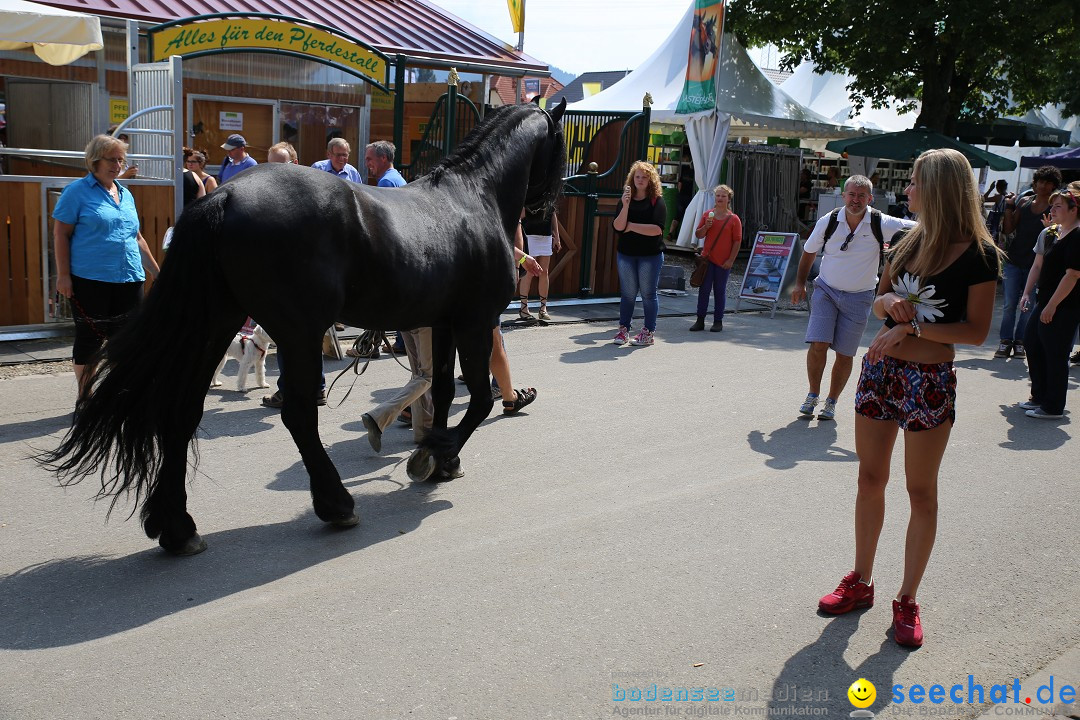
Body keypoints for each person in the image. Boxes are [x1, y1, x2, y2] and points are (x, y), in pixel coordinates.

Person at [817, 148, 1002, 648]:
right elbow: (877, 298)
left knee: (920, 491)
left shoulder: (980, 254)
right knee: (869, 478)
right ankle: (860, 580)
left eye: (916, 182)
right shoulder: (904, 241)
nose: (909, 191)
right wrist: (889, 305)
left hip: (929, 381)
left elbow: (978, 332)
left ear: (939, 188)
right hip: (881, 372)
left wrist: (914, 326)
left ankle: (907, 598)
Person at [791, 175, 915, 421]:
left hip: (860, 297)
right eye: (851, 194)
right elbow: (808, 251)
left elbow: (916, 228)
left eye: (861, 196)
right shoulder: (830, 221)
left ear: (870, 199)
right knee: (818, 344)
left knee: (845, 354)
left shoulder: (881, 222)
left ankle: (831, 401)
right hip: (826, 290)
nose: (855, 200)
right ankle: (812, 393)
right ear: (843, 195)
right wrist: (798, 284)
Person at [52, 134, 161, 397]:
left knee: (126, 339)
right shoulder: (76, 192)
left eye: (121, 160)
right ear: (95, 161)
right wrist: (63, 275)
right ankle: (86, 396)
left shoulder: (125, 194)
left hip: (129, 278)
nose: (117, 165)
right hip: (91, 279)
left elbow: (137, 237)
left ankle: (120, 393)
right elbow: (60, 234)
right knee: (90, 339)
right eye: (111, 159)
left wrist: (158, 273)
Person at [261, 140, 327, 409]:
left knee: (293, 337)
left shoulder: (303, 195)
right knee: (302, 338)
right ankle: (312, 389)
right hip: (297, 279)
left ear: (294, 164)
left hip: (302, 280)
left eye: (280, 165)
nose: (273, 171)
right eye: (270, 165)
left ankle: (293, 391)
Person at [1017, 187, 1080, 419]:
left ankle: (1053, 406)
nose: (1051, 210)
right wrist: (1026, 293)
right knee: (1032, 343)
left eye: (1058, 206)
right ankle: (1040, 396)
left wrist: (1052, 305)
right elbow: (1037, 266)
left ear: (1074, 210)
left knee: (1055, 353)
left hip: (1064, 305)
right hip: (1045, 301)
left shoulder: (1077, 235)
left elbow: (1072, 275)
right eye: (1051, 205)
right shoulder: (1054, 233)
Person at [995, 165, 1061, 359]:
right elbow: (1008, 229)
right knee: (1009, 304)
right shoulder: (1024, 202)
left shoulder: (1054, 209)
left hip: (1037, 265)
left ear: (1054, 186)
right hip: (1014, 260)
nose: (1043, 185)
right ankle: (1005, 341)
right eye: (1041, 181)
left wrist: (1051, 228)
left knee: (1027, 306)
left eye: (1048, 183)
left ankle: (1020, 342)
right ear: (1035, 182)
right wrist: (1009, 206)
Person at [612, 160, 667, 347]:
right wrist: (625, 206)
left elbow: (657, 230)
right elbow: (618, 227)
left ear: (651, 180)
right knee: (627, 294)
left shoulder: (657, 201)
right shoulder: (624, 200)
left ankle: (648, 332)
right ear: (632, 179)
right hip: (626, 254)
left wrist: (631, 226)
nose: (640, 180)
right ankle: (623, 330)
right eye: (637, 177)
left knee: (648, 294)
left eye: (644, 177)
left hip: (650, 255)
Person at [690, 184, 742, 332]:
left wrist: (731, 260)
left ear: (728, 199)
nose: (719, 198)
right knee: (704, 290)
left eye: (723, 196)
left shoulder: (734, 219)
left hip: (723, 262)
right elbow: (698, 234)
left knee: (719, 290)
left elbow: (737, 241)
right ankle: (700, 319)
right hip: (707, 259)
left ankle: (718, 320)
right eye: (718, 195)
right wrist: (706, 227)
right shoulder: (707, 214)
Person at [517, 207, 561, 321]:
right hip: (529, 233)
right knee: (529, 271)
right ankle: (524, 308)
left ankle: (543, 308)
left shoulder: (549, 192)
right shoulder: (530, 191)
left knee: (544, 272)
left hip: (546, 235)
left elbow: (553, 212)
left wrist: (556, 236)